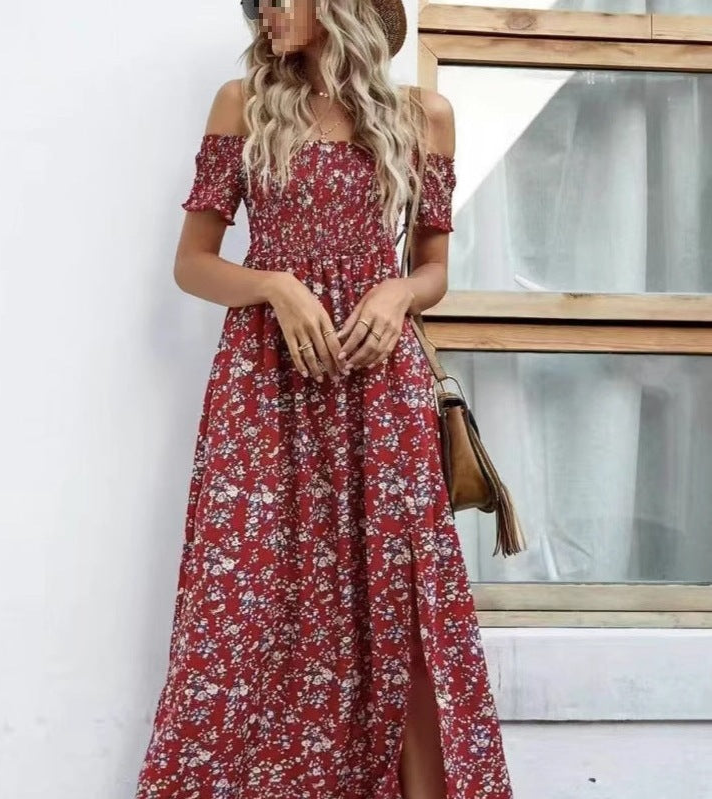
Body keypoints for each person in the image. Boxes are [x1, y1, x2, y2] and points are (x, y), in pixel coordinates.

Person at [134, 1, 514, 797]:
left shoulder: (423, 115)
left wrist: (398, 293)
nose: (266, 11)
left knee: (404, 613)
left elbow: (432, 270)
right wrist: (273, 284)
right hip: (262, 389)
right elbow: (192, 264)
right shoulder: (243, 104)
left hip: (381, 388)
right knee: (241, 611)